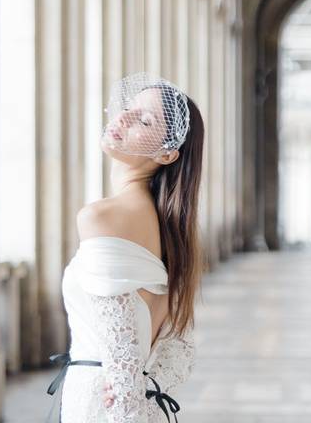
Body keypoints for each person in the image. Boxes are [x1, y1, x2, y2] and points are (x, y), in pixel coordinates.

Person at [46, 72, 205, 422]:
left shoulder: (102, 217)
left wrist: (128, 392)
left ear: (167, 154)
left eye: (145, 119)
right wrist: (144, 387)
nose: (123, 118)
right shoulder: (172, 235)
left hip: (102, 410)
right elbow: (178, 356)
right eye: (129, 108)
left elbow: (122, 365)